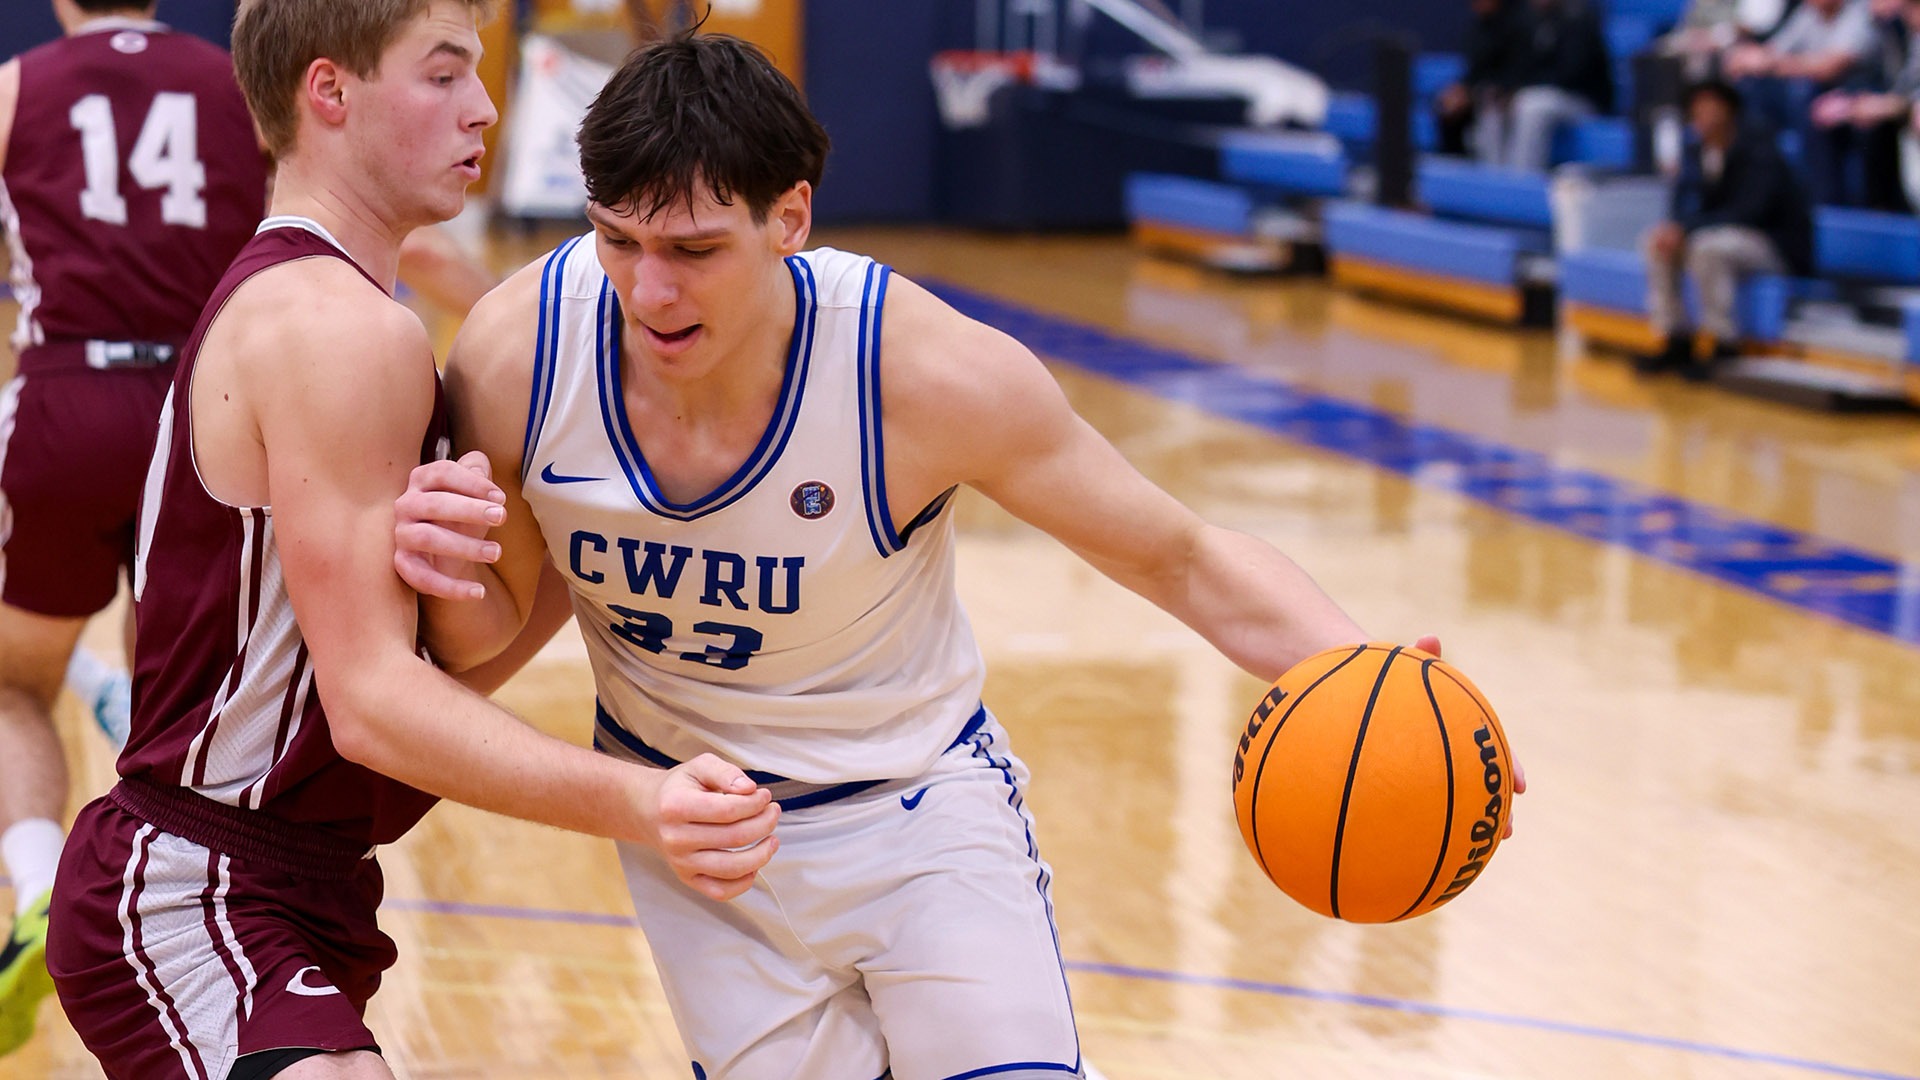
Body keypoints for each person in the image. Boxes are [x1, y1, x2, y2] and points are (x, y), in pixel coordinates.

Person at [393, 32, 1522, 1079]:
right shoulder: (520, 352)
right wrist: (450, 575)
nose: (649, 290)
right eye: (619, 240)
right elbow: (496, 629)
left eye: (694, 249)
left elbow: (1178, 558)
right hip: (700, 842)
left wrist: (1372, 679)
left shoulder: (920, 374)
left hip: (919, 817)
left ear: (792, 218)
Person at [43, 3, 776, 1078]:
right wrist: (642, 800)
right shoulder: (341, 327)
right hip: (195, 886)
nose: (483, 108)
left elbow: (427, 675)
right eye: (443, 77)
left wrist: (565, 548)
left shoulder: (333, 301)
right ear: (330, 93)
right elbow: (375, 706)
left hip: (290, 879)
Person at [0, 0, 269, 1057]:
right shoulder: (236, 84)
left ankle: (32, 882)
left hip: (66, 398)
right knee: (195, 699)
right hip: (203, 406)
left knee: (18, 679)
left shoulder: (19, 86)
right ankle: (190, 930)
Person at [1638, 79, 1813, 379]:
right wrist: (1676, 228)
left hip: (1772, 243)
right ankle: (1676, 338)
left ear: (1730, 110)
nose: (1704, 116)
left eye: (1711, 108)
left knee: (1707, 248)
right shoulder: (1695, 150)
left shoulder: (1759, 146)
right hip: (1721, 234)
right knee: (1657, 241)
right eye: (1698, 109)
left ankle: (1724, 344)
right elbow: (1682, 201)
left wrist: (1688, 229)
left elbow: (1749, 210)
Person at [1476, 0, 1612, 171]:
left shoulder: (1579, 17)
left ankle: (1522, 186)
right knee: (1494, 102)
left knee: (1532, 106)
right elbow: (1518, 68)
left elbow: (1570, 74)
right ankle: (1495, 182)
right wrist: (1508, 91)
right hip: (1546, 96)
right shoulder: (1529, 20)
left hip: (1584, 101)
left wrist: (1521, 91)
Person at [1809, 0, 1919, 209]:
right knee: (1825, 108)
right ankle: (1839, 211)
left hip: (1907, 113)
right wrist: (1854, 104)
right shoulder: (1892, 30)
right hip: (1897, 107)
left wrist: (1884, 107)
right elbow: (1902, 87)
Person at [1435, 0, 1525, 158]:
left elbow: (1518, 70)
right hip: (1480, 91)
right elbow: (1475, 71)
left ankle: (1495, 174)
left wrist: (1485, 92)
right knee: (1447, 104)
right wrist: (1462, 90)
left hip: (1506, 93)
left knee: (1491, 103)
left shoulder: (1518, 25)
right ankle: (1455, 167)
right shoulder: (1477, 29)